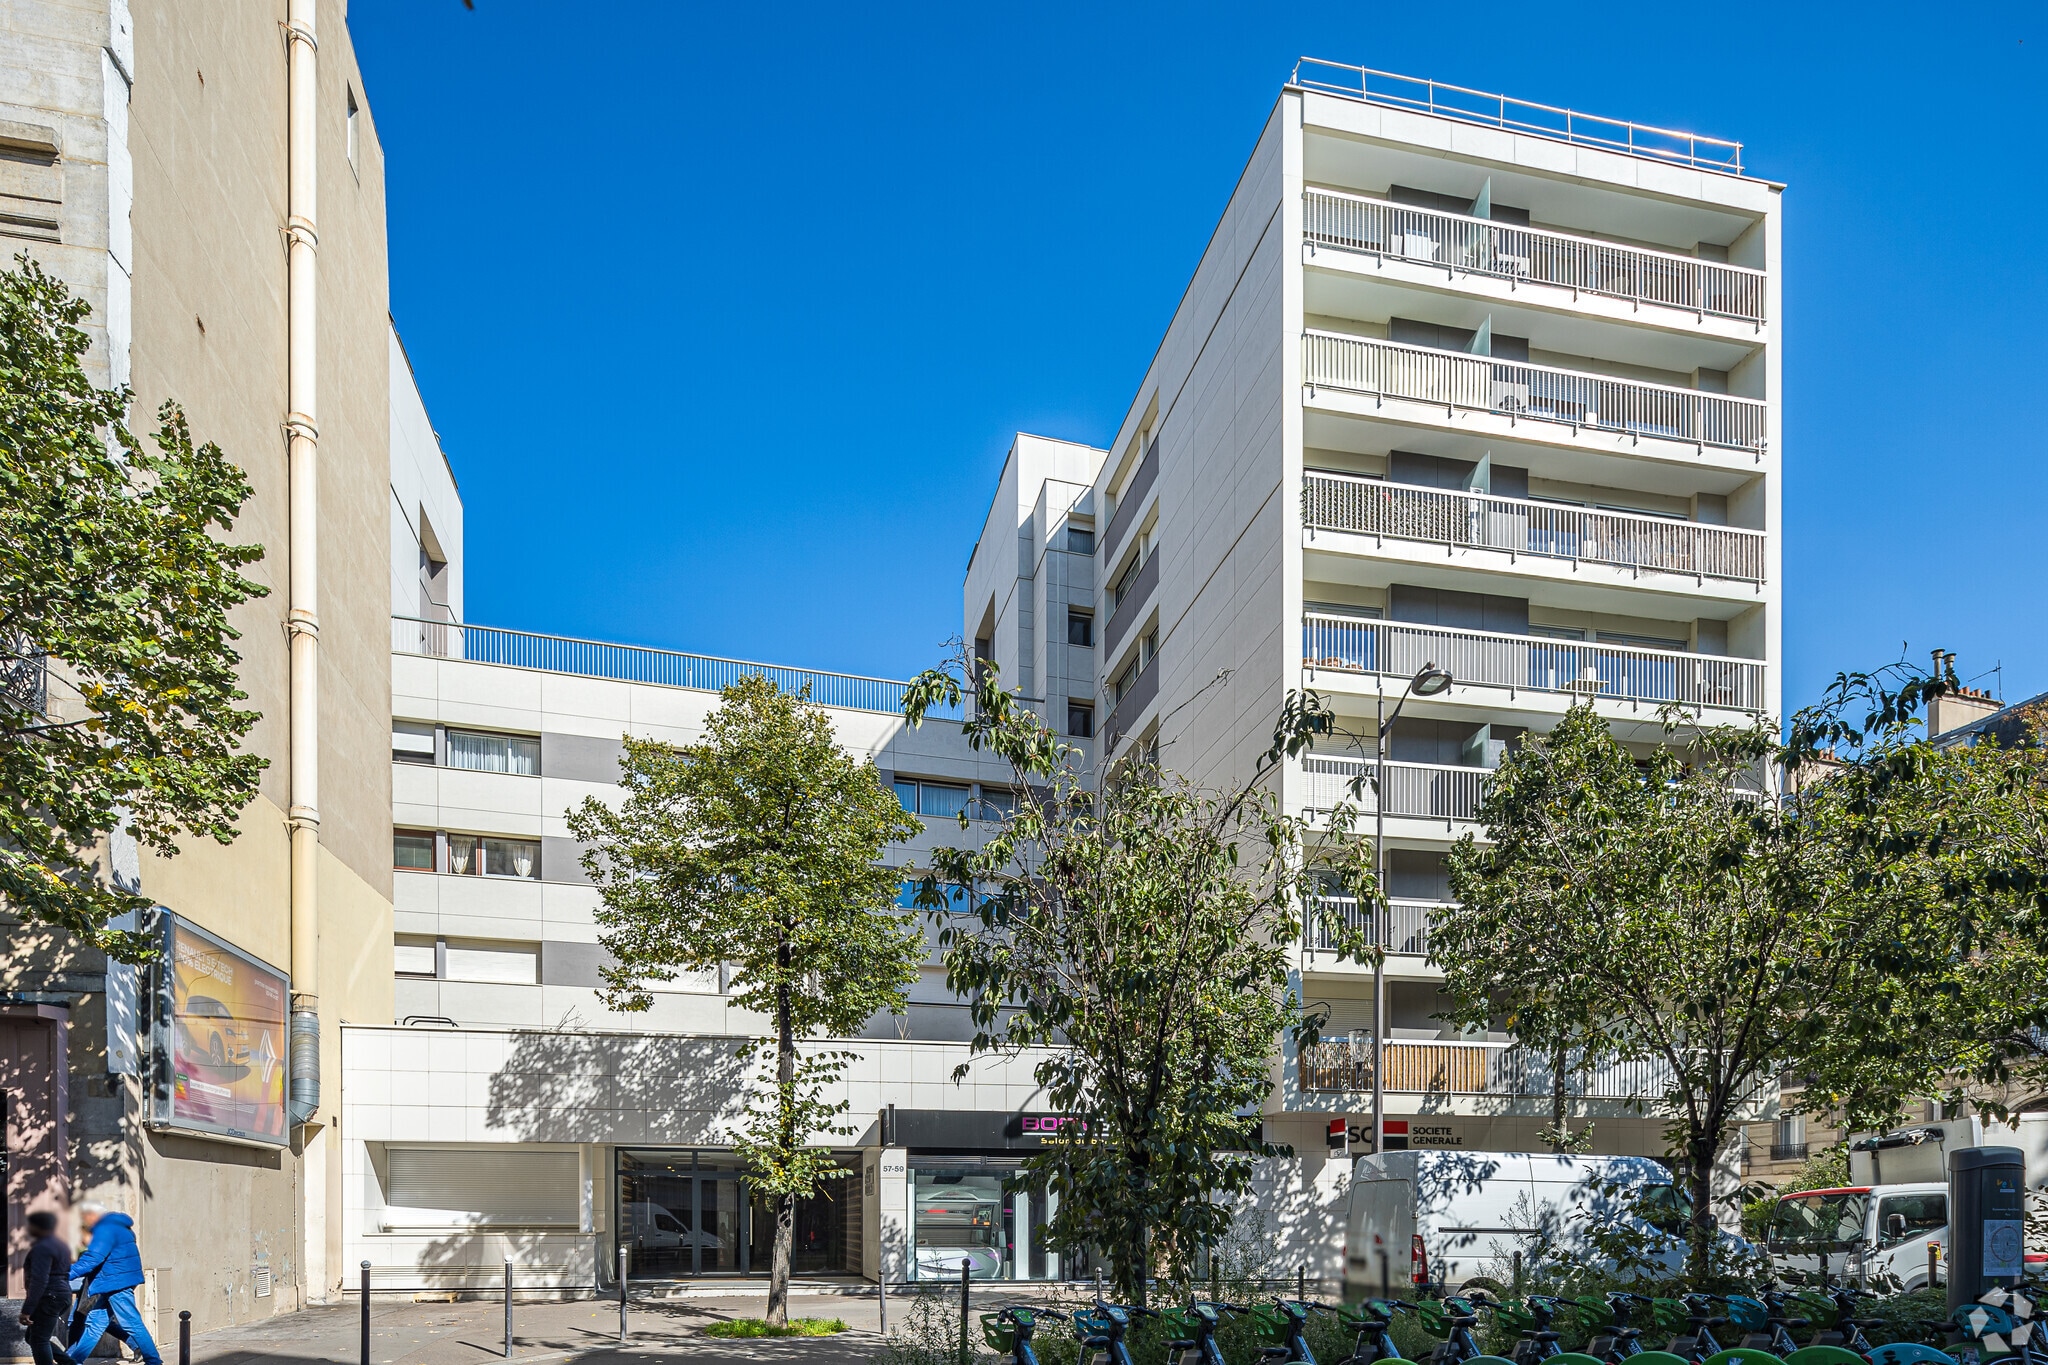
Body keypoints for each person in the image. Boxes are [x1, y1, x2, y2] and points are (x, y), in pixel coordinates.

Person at [67, 1204, 160, 1365]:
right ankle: (74, 1361)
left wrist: (63, 1274)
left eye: (85, 1216)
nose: (85, 1221)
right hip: (115, 1281)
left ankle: (154, 1361)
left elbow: (93, 1258)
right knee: (94, 1324)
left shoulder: (105, 1229)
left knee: (132, 1323)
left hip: (115, 1283)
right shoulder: (121, 1228)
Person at [18, 1211, 74, 1365]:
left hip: (49, 1296)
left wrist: (27, 1309)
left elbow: (40, 1279)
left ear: (38, 1227)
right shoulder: (60, 1245)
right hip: (61, 1295)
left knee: (39, 1340)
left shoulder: (42, 1247)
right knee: (33, 1337)